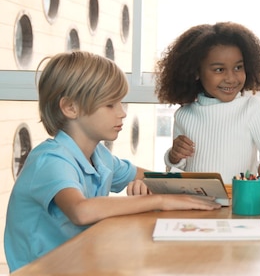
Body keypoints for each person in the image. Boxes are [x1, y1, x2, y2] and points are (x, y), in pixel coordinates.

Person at [4, 51, 221, 273]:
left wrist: (211, 189)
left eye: (121, 102)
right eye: (110, 105)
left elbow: (155, 179)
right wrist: (160, 200)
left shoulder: (100, 157)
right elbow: (81, 211)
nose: (122, 113)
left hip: (80, 265)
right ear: (70, 108)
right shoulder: (50, 160)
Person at [155, 22, 260, 186]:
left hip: (241, 204)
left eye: (238, 67)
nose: (231, 78)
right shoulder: (184, 115)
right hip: (198, 206)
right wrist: (173, 157)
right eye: (219, 70)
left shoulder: (253, 108)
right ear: (196, 71)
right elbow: (176, 173)